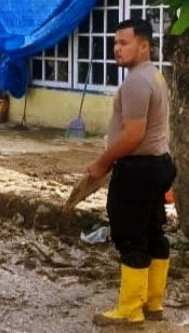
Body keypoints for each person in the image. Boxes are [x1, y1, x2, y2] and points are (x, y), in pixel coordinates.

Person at [87, 18, 176, 326]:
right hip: (158, 164)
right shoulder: (155, 76)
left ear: (143, 45)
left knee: (130, 236)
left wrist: (102, 162)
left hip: (138, 168)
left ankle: (130, 310)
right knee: (153, 233)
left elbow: (133, 134)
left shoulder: (136, 81)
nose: (117, 49)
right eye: (115, 43)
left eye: (123, 43)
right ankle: (153, 303)